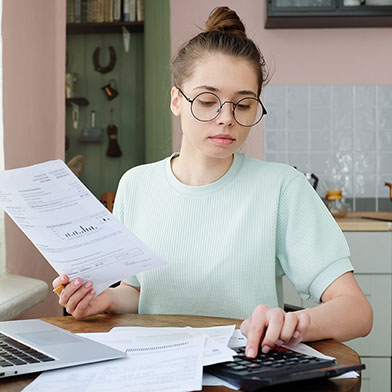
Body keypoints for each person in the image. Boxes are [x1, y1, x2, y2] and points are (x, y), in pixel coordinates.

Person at [53, 6, 372, 358]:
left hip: (246, 368)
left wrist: (293, 324)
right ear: (176, 100)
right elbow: (143, 293)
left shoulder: (282, 187)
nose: (226, 119)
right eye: (207, 101)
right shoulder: (136, 184)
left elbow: (356, 310)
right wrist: (107, 299)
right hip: (156, 367)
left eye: (244, 104)